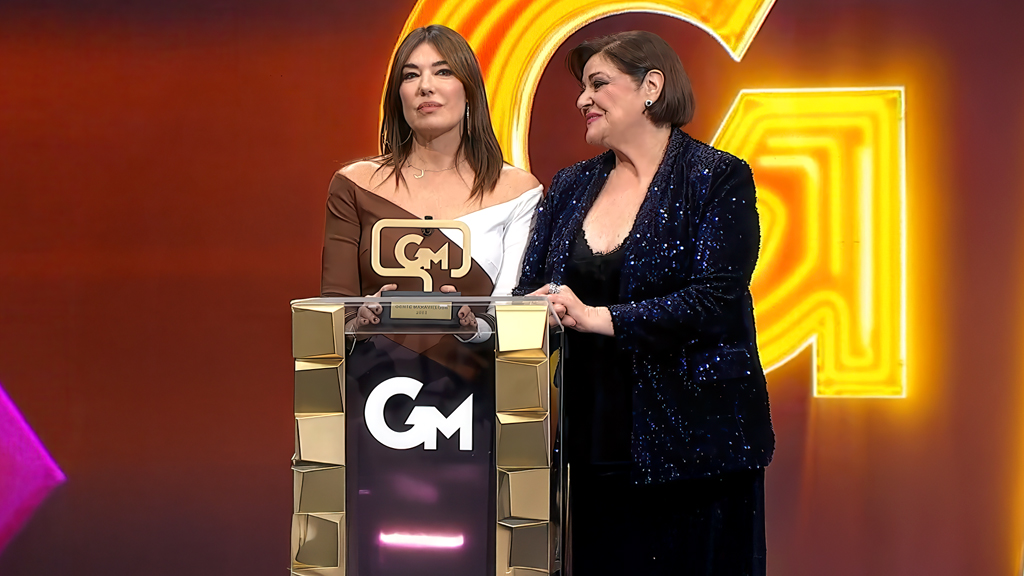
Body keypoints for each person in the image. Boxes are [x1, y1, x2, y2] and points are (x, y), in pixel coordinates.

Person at [514, 31, 775, 575]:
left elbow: (714, 299)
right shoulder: (570, 185)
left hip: (699, 451)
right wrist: (521, 309)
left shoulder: (717, 177)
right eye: (582, 88)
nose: (582, 99)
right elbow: (529, 291)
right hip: (592, 444)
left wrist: (599, 318)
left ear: (651, 86)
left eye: (598, 84)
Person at [321, 24, 541, 338]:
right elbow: (332, 317)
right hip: (373, 366)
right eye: (411, 75)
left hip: (475, 367)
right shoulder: (355, 185)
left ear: (469, 90)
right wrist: (359, 323)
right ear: (397, 96)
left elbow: (515, 320)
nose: (425, 86)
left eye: (443, 72)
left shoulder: (518, 191)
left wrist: (472, 328)